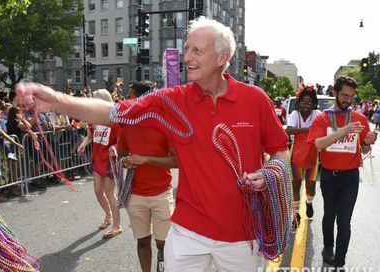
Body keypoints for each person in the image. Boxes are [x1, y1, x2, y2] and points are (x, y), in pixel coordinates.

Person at [17, 17, 289, 271]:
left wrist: (270, 173)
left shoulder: (255, 99)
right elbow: (111, 112)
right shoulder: (171, 101)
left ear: (222, 58)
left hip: (242, 237)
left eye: (197, 51)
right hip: (188, 235)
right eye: (186, 49)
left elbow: (280, 150)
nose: (187, 58)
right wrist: (56, 100)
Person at [307, 76, 377, 269]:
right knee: (329, 215)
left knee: (344, 221)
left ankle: (339, 262)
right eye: (344, 95)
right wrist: (344, 130)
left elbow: (363, 150)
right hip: (329, 176)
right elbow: (319, 144)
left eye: (351, 97)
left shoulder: (360, 118)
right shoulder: (322, 117)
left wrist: (368, 142)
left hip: (350, 178)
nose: (347, 100)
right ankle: (328, 246)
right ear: (335, 93)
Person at [117, 81, 177, 272]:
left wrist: (146, 159)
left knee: (163, 243)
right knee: (143, 242)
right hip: (135, 194)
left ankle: (163, 264)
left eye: (131, 95)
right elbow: (122, 154)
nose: (127, 100)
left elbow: (176, 161)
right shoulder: (126, 124)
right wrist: (126, 161)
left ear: (144, 99)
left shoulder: (163, 124)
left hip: (161, 193)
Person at [77, 89, 123, 239]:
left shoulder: (115, 119)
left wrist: (114, 148)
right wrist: (83, 144)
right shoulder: (93, 118)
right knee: (98, 191)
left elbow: (122, 141)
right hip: (97, 159)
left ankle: (117, 225)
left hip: (110, 161)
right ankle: (108, 215)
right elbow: (90, 135)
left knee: (110, 193)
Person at [285, 87, 321, 230]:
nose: (306, 105)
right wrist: (309, 129)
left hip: (312, 154)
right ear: (299, 103)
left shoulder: (317, 113)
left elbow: (321, 129)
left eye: (309, 103)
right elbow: (289, 130)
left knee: (310, 186)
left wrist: (301, 131)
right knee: (296, 185)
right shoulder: (294, 114)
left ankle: (309, 202)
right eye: (303, 102)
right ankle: (296, 213)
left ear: (314, 104)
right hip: (296, 154)